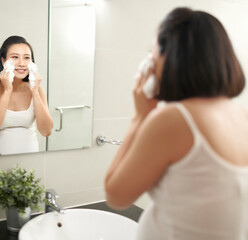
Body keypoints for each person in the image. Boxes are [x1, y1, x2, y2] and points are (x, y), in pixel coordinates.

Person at [104, 7, 247, 240]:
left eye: (152, 53)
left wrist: (140, 116)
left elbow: (115, 195)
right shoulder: (242, 115)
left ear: (169, 56)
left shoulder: (174, 119)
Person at [0, 36, 53, 155]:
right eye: (15, 57)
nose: (21, 63)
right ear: (3, 61)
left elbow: (46, 131)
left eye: (27, 58)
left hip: (30, 159)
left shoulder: (37, 89)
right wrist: (7, 90)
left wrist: (34, 91)